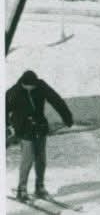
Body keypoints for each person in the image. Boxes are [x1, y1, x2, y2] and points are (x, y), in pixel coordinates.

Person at [7, 70, 73, 202]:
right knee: (28, 158)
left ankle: (39, 187)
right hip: (24, 128)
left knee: (41, 158)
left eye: (34, 85)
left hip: (40, 127)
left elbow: (56, 99)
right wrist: (8, 128)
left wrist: (67, 117)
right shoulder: (14, 92)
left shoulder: (41, 85)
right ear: (23, 84)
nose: (32, 88)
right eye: (29, 86)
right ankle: (22, 189)